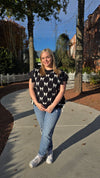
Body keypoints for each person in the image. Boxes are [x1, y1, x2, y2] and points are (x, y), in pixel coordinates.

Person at [29, 48, 68, 168]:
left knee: (46, 133)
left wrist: (52, 106)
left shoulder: (60, 74)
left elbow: (61, 91)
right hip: (39, 107)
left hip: (54, 107)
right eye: (43, 58)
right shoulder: (35, 72)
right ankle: (50, 151)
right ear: (40, 60)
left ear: (52, 57)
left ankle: (40, 155)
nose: (46, 60)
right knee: (45, 131)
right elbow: (31, 89)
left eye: (48, 57)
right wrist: (36, 102)